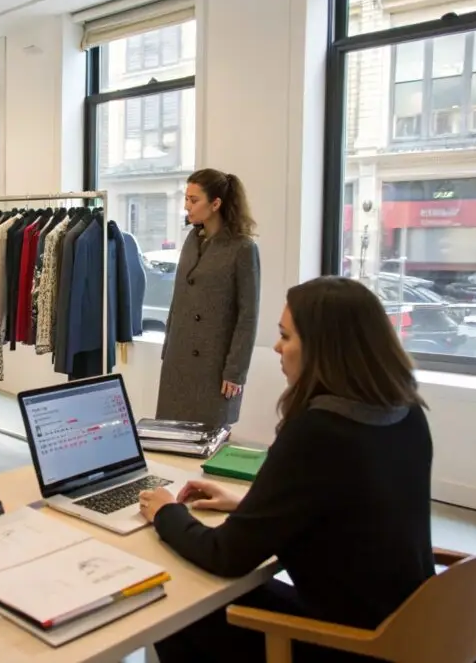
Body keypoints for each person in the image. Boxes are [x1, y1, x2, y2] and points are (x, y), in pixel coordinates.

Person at [139, 276, 436, 663]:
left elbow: (225, 555)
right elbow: (352, 508)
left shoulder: (318, 431)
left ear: (324, 349)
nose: (277, 347)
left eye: (286, 337)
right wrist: (252, 503)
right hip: (408, 628)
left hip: (351, 645)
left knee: (178, 606)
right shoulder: (407, 413)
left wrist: (166, 512)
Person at [156, 169, 260, 428]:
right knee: (169, 438)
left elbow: (248, 315)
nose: (186, 206)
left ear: (216, 204)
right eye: (186, 199)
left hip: (214, 366)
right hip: (178, 361)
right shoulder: (192, 239)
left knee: (208, 441)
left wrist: (235, 371)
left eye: (194, 200)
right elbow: (178, 300)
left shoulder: (243, 248)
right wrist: (168, 349)